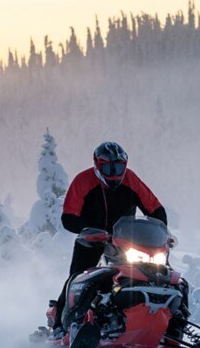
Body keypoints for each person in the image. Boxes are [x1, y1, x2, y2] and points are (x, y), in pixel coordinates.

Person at [51, 141, 168, 330]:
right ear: (98, 165)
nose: (114, 172)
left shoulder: (131, 180)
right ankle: (61, 325)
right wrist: (88, 229)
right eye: (107, 167)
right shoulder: (84, 180)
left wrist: (161, 233)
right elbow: (69, 217)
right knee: (78, 277)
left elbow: (155, 208)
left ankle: (165, 322)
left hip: (125, 241)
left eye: (118, 167)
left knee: (155, 273)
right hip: (92, 239)